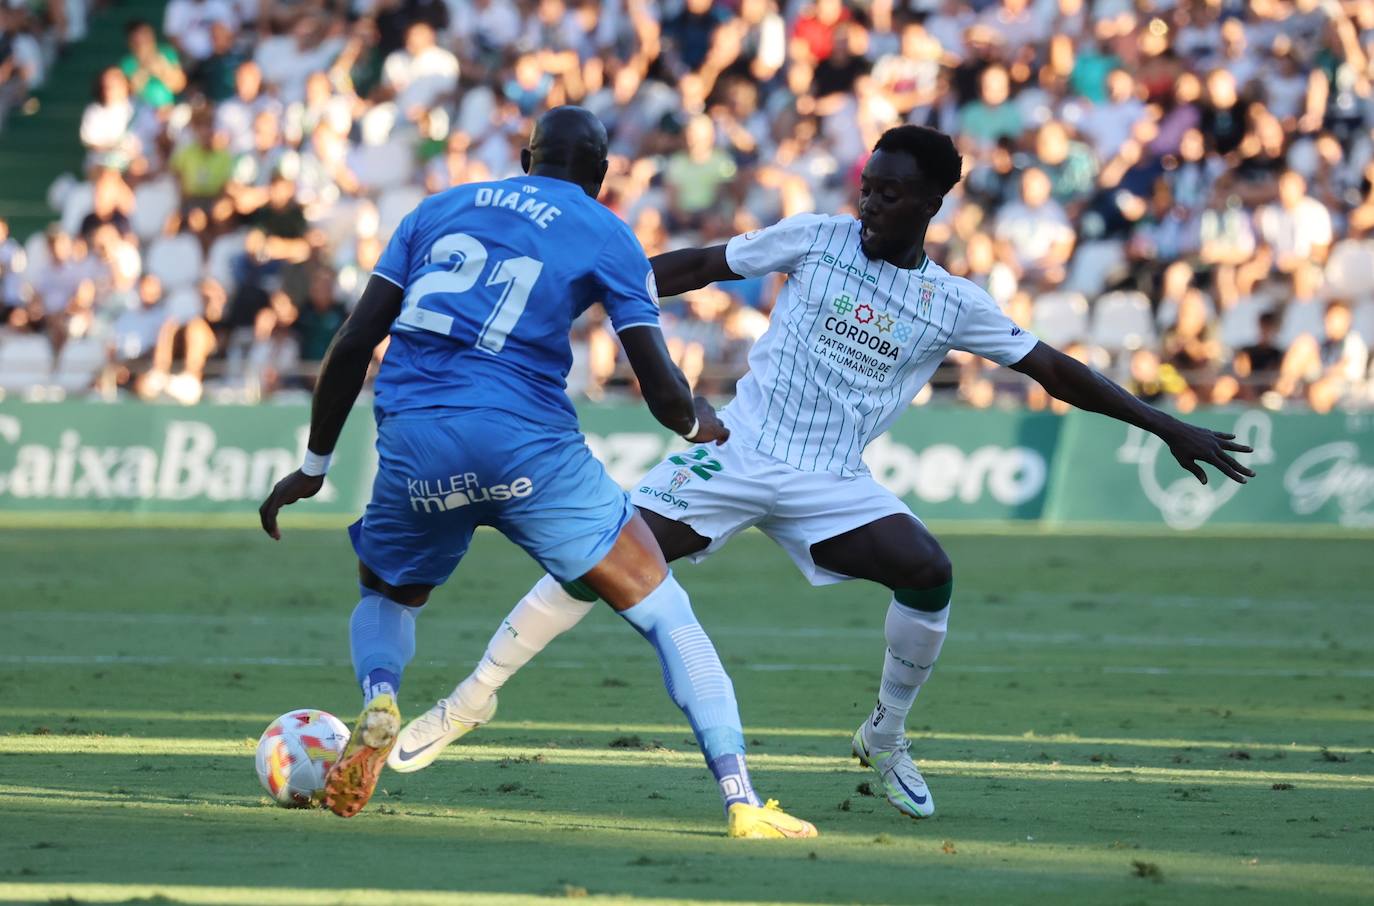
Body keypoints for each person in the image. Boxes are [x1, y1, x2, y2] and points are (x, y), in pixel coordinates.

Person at [391, 125, 1255, 823]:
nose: (871, 201)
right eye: (867, 185)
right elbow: (697, 265)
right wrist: (589, 290)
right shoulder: (819, 237)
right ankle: (467, 702)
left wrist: (1162, 423)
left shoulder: (954, 302)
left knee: (929, 572)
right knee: (593, 559)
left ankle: (885, 735)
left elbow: (1055, 370)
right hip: (733, 448)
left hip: (832, 479)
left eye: (889, 191)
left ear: (934, 199)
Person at [257, 106, 816, 839]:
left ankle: (382, 695)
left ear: (526, 159)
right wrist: (694, 423)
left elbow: (357, 339)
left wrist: (313, 465)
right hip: (529, 451)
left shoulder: (437, 209)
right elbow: (656, 379)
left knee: (388, 595)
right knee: (665, 614)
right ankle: (742, 800)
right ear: (601, 173)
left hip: (417, 443)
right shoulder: (607, 231)